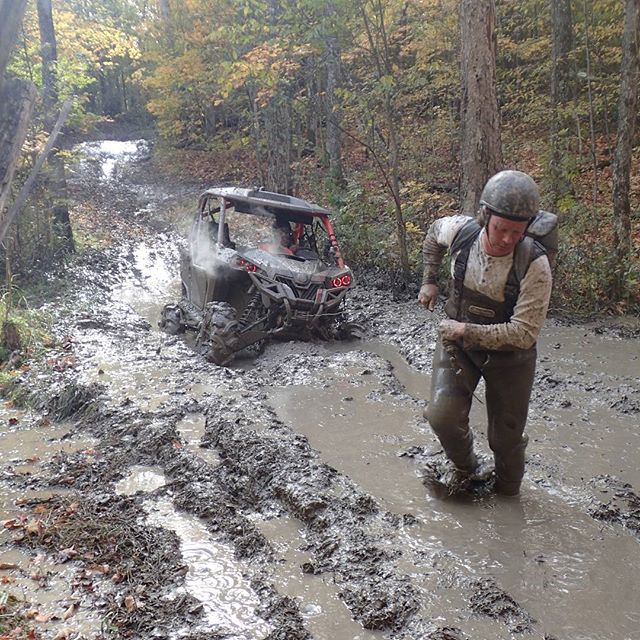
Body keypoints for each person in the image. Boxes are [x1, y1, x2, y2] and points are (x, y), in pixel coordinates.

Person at [417, 170, 553, 496]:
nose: (507, 238)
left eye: (516, 231)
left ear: (528, 228)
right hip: (458, 345)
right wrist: (429, 279)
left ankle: (508, 498)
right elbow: (433, 235)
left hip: (512, 356)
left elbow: (523, 334)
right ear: (485, 216)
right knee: (442, 416)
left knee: (506, 438)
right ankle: (466, 467)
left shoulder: (536, 265)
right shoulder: (460, 232)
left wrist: (467, 330)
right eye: (500, 228)